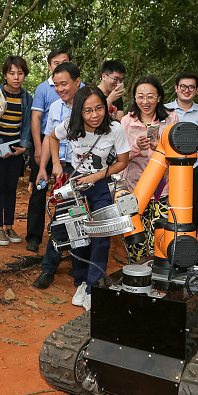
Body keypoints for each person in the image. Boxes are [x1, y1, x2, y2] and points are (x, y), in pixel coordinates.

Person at [46, 85, 130, 310]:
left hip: (100, 185)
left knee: (101, 237)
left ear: (106, 107)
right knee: (78, 235)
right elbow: (52, 137)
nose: (95, 115)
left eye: (99, 108)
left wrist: (97, 175)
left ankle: (94, 287)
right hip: (76, 188)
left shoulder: (114, 129)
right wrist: (56, 163)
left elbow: (123, 161)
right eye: (88, 111)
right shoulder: (70, 126)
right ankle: (81, 282)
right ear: (79, 112)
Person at [31, 62, 83, 289]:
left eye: (65, 84)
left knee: (81, 218)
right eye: (57, 85)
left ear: (77, 82)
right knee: (62, 217)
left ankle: (80, 268)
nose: (60, 89)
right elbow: (48, 138)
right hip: (59, 169)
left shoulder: (88, 106)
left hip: (83, 170)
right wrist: (45, 167)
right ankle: (49, 269)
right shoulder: (54, 108)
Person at [25, 48, 74, 252]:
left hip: (71, 158)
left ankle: (66, 242)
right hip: (46, 150)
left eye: (64, 61)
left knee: (69, 199)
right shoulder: (44, 90)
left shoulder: (82, 96)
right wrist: (38, 150)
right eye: (56, 62)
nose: (60, 65)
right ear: (49, 66)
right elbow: (38, 120)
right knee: (39, 191)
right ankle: (34, 238)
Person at [0, 55, 33, 245]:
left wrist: (24, 145)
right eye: (12, 73)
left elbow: (28, 124)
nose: (16, 77)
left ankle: (9, 226)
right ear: (5, 75)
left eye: (20, 73)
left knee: (11, 187)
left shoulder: (26, 97)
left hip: (16, 146)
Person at [165, 73, 198, 229]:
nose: (187, 90)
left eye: (191, 87)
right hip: (167, 168)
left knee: (193, 208)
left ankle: (189, 244)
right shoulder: (165, 110)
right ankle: (166, 246)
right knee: (167, 207)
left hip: (195, 167)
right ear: (176, 88)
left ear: (196, 90)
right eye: (183, 86)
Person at [119, 75, 177, 193]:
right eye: (140, 97)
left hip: (164, 188)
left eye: (150, 97)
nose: (145, 102)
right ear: (135, 98)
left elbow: (178, 153)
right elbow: (120, 157)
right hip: (135, 186)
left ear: (159, 98)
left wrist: (160, 147)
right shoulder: (126, 121)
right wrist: (136, 147)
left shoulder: (171, 119)